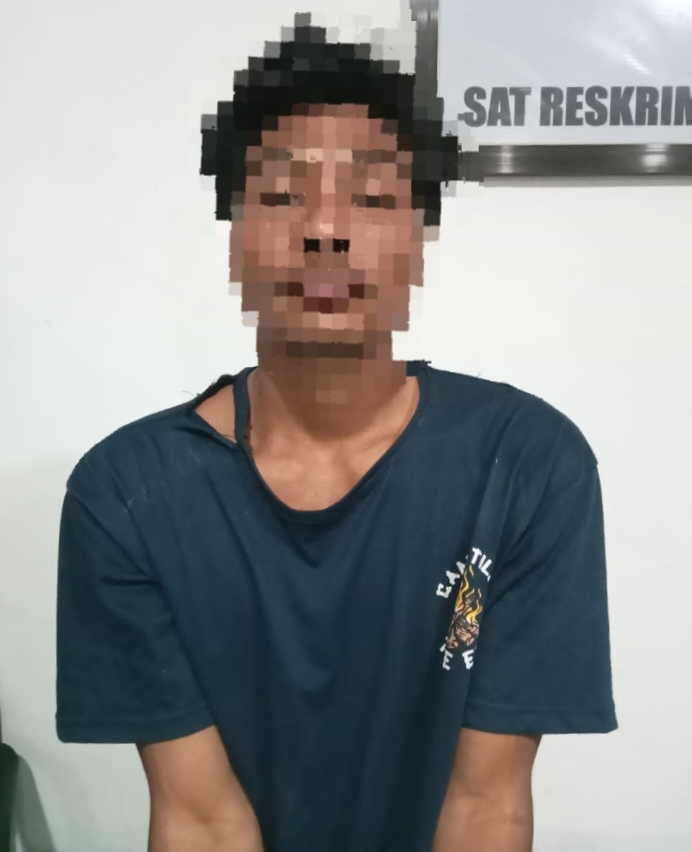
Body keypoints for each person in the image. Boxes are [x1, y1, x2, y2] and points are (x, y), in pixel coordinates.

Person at [55, 15, 618, 852]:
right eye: (282, 196)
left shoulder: (527, 464)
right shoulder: (128, 493)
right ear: (235, 239)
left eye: (372, 197)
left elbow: (484, 806)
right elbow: (202, 820)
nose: (325, 229)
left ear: (418, 242)